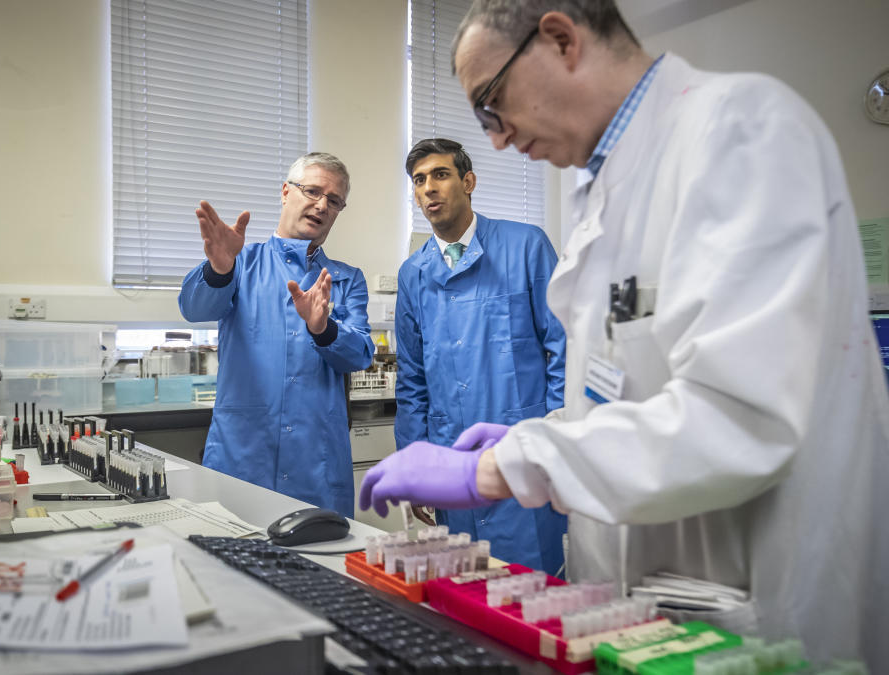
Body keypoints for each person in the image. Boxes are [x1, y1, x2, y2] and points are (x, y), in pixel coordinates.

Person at [359, 1, 889, 669]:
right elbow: (623, 390)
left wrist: (497, 466)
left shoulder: (741, 130)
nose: (494, 138)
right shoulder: (604, 189)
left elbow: (739, 412)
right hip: (642, 606)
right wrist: (541, 433)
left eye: (492, 103)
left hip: (754, 604)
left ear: (558, 39)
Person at [393, 138, 568, 574]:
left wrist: (559, 441)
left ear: (468, 182)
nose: (429, 188)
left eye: (440, 175)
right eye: (419, 181)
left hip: (524, 453)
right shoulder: (413, 274)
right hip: (452, 460)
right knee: (466, 593)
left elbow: (564, 347)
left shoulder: (525, 246)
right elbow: (412, 380)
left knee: (535, 595)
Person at [180, 152, 374, 516]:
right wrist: (219, 270)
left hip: (316, 462)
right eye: (313, 191)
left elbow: (360, 353)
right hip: (243, 456)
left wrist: (323, 329)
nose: (322, 205)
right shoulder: (241, 262)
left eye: (334, 201)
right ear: (286, 192)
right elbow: (194, 308)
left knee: (321, 566)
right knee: (230, 563)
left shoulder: (345, 279)